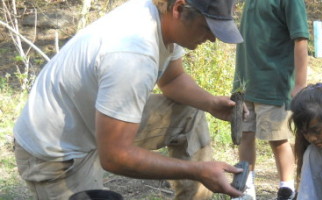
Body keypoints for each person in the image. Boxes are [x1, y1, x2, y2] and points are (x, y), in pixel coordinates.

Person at [12, 0, 245, 199]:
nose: (213, 39)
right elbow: (115, 157)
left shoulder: (158, 18)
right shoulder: (133, 55)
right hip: (57, 155)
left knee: (189, 111)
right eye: (207, 27)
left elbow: (172, 80)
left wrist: (212, 103)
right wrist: (197, 170)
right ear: (179, 8)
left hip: (95, 125)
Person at [231, 0, 309, 199]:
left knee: (278, 139)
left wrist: (300, 83)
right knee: (245, 135)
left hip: (274, 85)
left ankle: (287, 189)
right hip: (246, 83)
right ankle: (246, 187)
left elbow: (300, 39)